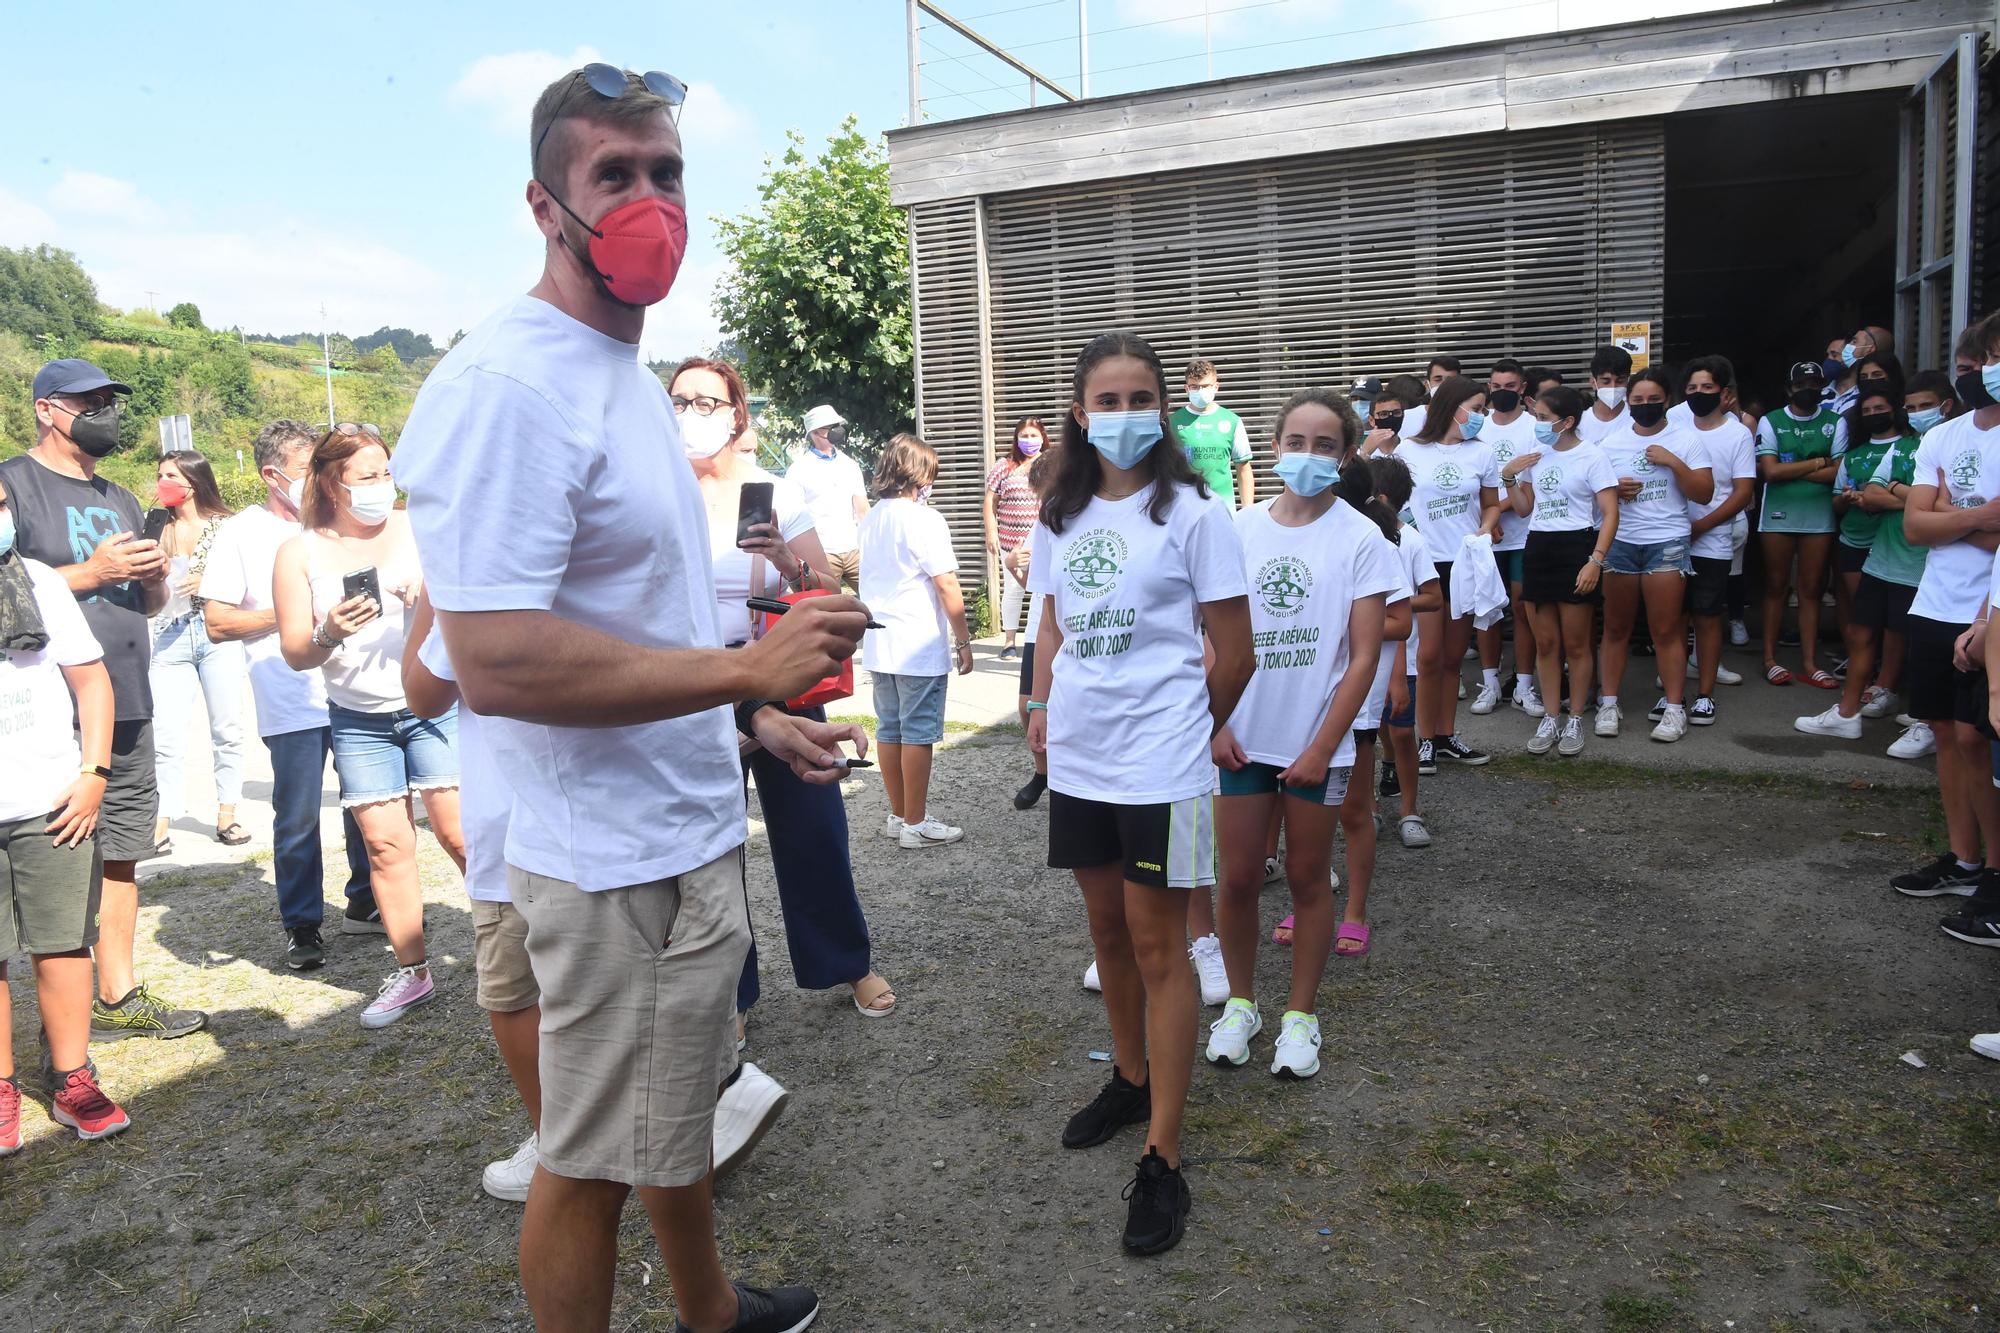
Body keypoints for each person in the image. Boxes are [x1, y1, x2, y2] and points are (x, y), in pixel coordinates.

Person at [393, 63, 867, 1333]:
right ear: (547, 205)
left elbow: (627, 623)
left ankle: (708, 1312)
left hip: (680, 828)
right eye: (615, 174)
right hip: (605, 869)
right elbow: (491, 661)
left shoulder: (626, 379)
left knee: (671, 1119)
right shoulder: (508, 387)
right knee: (588, 1158)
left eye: (666, 173)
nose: (649, 199)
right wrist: (741, 670)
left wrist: (747, 715)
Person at [1027, 330, 1253, 1256]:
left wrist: (1183, 730)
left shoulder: (1196, 512)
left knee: (1164, 947)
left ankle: (1163, 1154)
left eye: (1139, 398)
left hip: (1161, 764)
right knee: (1107, 930)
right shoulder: (1061, 510)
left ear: (1163, 409)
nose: (1124, 415)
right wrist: (1039, 701)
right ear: (1081, 413)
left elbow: (1232, 652)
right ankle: (1128, 1076)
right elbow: (1050, 618)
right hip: (1080, 757)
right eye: (1106, 400)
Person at [671, 356, 898, 1023]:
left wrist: (781, 558)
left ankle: (847, 963)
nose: (692, 413)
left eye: (708, 402)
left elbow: (827, 590)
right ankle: (733, 994)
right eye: (680, 399)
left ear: (737, 411)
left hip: (780, 670)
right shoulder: (656, 492)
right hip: (692, 684)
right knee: (712, 845)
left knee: (813, 830)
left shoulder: (775, 489)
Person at [0, 359, 207, 1043]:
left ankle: (117, 995)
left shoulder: (118, 494)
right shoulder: (14, 485)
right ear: (47, 409)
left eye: (108, 401)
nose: (103, 412)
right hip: (50, 709)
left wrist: (153, 579)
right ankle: (60, 1006)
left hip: (128, 694)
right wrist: (95, 571)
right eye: (87, 401)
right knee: (57, 854)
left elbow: (147, 601)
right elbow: (14, 587)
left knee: (122, 852)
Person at [1209, 388, 1398, 1079]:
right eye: (1296, 442)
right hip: (1243, 740)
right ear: (1274, 447)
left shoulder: (1361, 538)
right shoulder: (1237, 528)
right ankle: (1241, 1003)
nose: (1308, 455)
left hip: (1320, 745)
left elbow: (1365, 656)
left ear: (1346, 454)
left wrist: (1323, 744)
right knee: (1235, 878)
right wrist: (1217, 720)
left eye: (1325, 445)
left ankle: (1300, 1015)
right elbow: (1211, 637)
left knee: (1307, 877)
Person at [273, 424, 463, 1028]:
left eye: (387, 472)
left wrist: (430, 595)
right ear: (331, 484)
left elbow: (479, 600)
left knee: (462, 836)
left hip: (434, 704)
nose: (383, 486)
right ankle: (413, 971)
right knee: (386, 848)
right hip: (356, 720)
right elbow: (298, 651)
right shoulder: (298, 551)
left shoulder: (422, 526)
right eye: (367, 476)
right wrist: (330, 630)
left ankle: (520, 946)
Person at [200, 419, 378, 969]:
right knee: (298, 817)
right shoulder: (242, 533)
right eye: (307, 472)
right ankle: (302, 924)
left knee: (367, 809)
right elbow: (216, 622)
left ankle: (366, 905)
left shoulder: (338, 524)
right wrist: (294, 614)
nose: (317, 483)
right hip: (291, 698)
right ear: (271, 475)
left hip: (355, 690)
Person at [0, 473, 130, 1151]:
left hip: (50, 801)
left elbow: (91, 682)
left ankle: (72, 1077)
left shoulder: (43, 582)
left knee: (61, 944)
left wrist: (93, 773)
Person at [1891, 313, 2000, 910]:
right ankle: (1964, 858)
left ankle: (1995, 873)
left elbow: (1939, 522)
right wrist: (1982, 518)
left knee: (1976, 738)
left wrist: (1949, 517)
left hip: (1991, 612)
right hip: (1934, 606)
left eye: (1987, 363)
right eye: (1969, 366)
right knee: (1944, 733)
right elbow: (1914, 526)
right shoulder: (1944, 437)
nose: (1978, 375)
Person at [861, 433, 975, 851]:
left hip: (879, 639)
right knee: (918, 732)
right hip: (917, 639)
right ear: (919, 474)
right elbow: (946, 584)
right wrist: (963, 641)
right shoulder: (925, 519)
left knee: (889, 728)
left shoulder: (873, 517)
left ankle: (898, 815)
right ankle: (916, 821)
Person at [1385, 375, 1501, 770]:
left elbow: (1491, 504)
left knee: (1453, 658)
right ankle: (1424, 738)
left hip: (1465, 563)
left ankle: (1445, 735)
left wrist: (1486, 528)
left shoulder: (1482, 453)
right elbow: (1393, 502)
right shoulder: (1410, 449)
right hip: (1426, 562)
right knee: (1429, 657)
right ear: (1454, 407)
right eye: (1478, 407)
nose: (1481, 415)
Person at [1595, 368, 1714, 743]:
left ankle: (1675, 708)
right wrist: (1616, 491)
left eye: (1653, 400)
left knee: (1666, 630)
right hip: (1622, 542)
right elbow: (1594, 500)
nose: (1645, 406)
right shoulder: (1611, 443)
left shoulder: (1686, 440)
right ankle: (1608, 703)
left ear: (1667, 400)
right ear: (1628, 402)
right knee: (1615, 629)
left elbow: (1704, 493)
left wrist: (1673, 462)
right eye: (1638, 401)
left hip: (1667, 541)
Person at [1797, 385, 1918, 740]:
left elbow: (1936, 503)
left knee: (1900, 629)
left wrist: (1891, 496)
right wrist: (1881, 496)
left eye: (1882, 407)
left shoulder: (1923, 447)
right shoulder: (1860, 454)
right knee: (1862, 627)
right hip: (1870, 550)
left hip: (1913, 556)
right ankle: (1848, 712)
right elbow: (1867, 496)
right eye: (1867, 410)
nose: (1874, 415)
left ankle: (1888, 690)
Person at [1505, 385, 1618, 756]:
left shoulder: (1592, 456)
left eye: (1542, 418)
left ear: (1567, 421)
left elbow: (1610, 513)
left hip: (1577, 547)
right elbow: (1524, 509)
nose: (1536, 424)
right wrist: (1510, 477)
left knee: (1576, 643)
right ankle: (1550, 716)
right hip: (1539, 546)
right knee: (1547, 643)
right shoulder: (1538, 456)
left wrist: (1595, 560)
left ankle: (1575, 717)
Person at [147, 450, 248, 851]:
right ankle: (161, 819)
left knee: (227, 728)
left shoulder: (226, 526)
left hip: (215, 631)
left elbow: (247, 578)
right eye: (159, 476)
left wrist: (208, 578)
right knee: (166, 735)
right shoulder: (156, 526)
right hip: (169, 632)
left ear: (193, 481)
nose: (162, 483)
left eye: (170, 475)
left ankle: (228, 813)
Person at [1879, 372, 1958, 760]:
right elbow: (1915, 521)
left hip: (1969, 579)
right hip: (1923, 573)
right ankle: (1925, 721)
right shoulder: (1919, 443)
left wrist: (1905, 493)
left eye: (1923, 406)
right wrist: (1928, 504)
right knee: (1917, 645)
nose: (1915, 414)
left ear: (1946, 404)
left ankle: (1933, 723)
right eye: (1909, 408)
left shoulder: (1960, 441)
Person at [1756, 360, 1844, 688]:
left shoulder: (1835, 422)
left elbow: (1839, 471)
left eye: (1814, 385)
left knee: (1811, 590)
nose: (1808, 391)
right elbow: (1771, 472)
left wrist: (1796, 468)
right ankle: (1769, 658)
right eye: (1801, 385)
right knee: (1777, 587)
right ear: (1790, 389)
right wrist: (1819, 462)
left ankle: (1809, 661)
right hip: (1777, 513)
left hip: (1818, 515)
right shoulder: (1771, 420)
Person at [1680, 357, 1758, 723]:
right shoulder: (1675, 421)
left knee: (1708, 616)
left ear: (1724, 393)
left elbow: (1742, 493)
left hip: (1713, 541)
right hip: (1670, 539)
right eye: (1692, 388)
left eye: (1707, 388)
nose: (1698, 394)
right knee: (1673, 620)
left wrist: (1702, 525)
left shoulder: (1738, 433)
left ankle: (1705, 695)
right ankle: (1673, 694)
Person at [1369, 455, 1439, 845]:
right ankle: (1371, 809)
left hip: (1402, 659)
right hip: (1363, 658)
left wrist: (1391, 605)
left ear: (1379, 497)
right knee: (1369, 733)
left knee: (1400, 732)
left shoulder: (1408, 539)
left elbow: (1432, 597)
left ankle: (1409, 811)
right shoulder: (1357, 537)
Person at [1472, 358, 1541, 718]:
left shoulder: (1534, 428)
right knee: (1487, 610)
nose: (1501, 393)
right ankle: (1490, 683)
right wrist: (1488, 519)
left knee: (1522, 610)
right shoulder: (1477, 426)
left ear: (1523, 388)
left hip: (1523, 535)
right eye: (1496, 387)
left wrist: (1494, 511)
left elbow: (1530, 486)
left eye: (1509, 387)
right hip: (1487, 535)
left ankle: (1525, 686)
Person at [984, 417, 1046, 658]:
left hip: (1042, 540)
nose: (1029, 440)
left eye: (1033, 435)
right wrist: (991, 532)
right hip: (1012, 542)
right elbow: (990, 500)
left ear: (1042, 437)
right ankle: (1009, 641)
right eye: (1024, 436)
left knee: (1042, 591)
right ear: (1016, 439)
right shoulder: (1005, 465)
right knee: (1013, 590)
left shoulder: (1049, 463)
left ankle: (1039, 638)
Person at [789, 404, 867, 592]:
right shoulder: (799, 470)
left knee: (878, 598)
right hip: (823, 554)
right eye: (830, 426)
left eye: (836, 425)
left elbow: (863, 509)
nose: (837, 430)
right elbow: (794, 516)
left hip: (854, 549)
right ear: (815, 432)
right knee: (828, 608)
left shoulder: (850, 465)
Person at [1171, 358, 1255, 509]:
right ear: (1186, 388)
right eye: (1194, 387)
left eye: (1205, 386)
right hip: (1184, 509)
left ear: (1216, 387)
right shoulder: (1172, 422)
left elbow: (1243, 468)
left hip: (1223, 507)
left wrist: (1247, 512)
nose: (1200, 391)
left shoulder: (1232, 421)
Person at [1577, 345, 1633, 444]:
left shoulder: (1635, 419)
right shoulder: (1579, 423)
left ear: (1628, 381)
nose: (1613, 387)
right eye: (1606, 381)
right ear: (1593, 382)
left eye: (1620, 381)